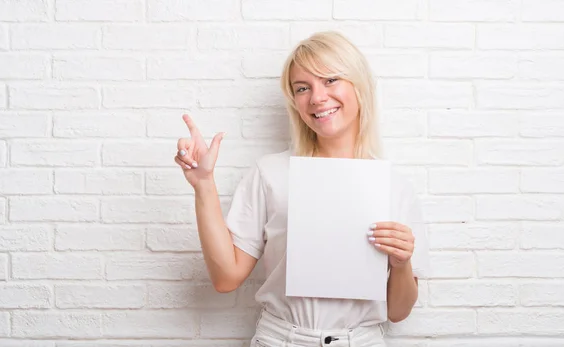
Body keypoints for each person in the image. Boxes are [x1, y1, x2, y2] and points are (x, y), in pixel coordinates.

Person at [174, 31, 430, 347]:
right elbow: (226, 278)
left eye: (330, 79)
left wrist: (402, 263)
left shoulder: (394, 186)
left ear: (359, 85)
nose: (317, 97)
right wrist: (203, 185)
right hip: (281, 339)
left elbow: (398, 312)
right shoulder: (270, 173)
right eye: (302, 88)